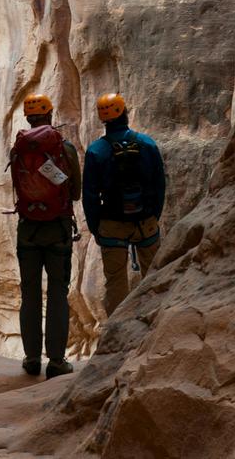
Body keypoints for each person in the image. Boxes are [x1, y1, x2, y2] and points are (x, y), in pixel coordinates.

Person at [11, 94, 82, 380]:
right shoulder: (64, 148)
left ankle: (30, 358)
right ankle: (55, 360)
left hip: (28, 229)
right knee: (56, 293)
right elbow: (74, 191)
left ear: (28, 117)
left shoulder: (17, 150)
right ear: (50, 115)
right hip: (58, 229)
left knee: (29, 293)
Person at [82, 92, 166, 316]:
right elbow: (160, 184)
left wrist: (96, 227)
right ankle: (152, 323)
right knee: (153, 277)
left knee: (116, 283)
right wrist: (153, 215)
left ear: (103, 120)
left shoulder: (96, 151)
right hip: (146, 222)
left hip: (111, 224)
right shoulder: (147, 144)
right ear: (125, 114)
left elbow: (89, 195)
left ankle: (116, 335)